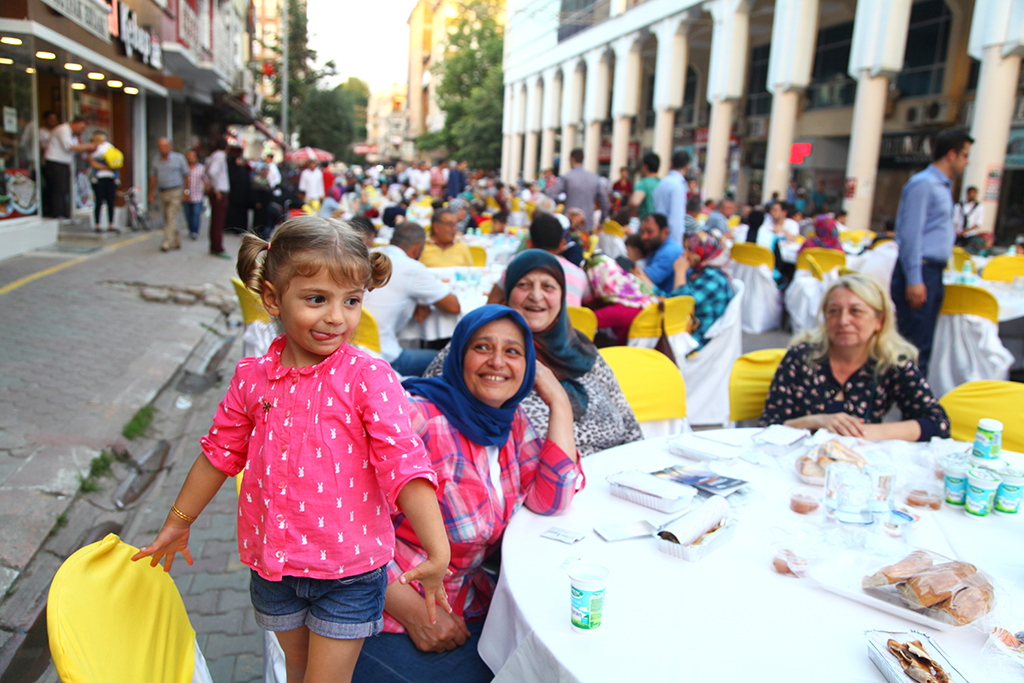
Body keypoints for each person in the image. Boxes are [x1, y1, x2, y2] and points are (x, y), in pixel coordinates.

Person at [132, 216, 453, 683]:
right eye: (316, 299)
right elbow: (219, 453)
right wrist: (177, 524)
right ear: (272, 299)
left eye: (352, 301)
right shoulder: (252, 376)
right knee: (296, 672)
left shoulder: (369, 376)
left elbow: (403, 464)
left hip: (349, 572)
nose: (336, 317)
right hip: (273, 568)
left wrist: (436, 549)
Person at [353, 305, 581, 682]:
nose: (497, 361)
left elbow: (552, 499)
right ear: (458, 355)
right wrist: (413, 612)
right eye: (482, 347)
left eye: (513, 351)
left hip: (468, 606)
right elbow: (341, 531)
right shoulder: (416, 420)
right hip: (385, 616)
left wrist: (558, 401)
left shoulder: (511, 422)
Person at [426, 250, 643, 456]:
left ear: (562, 297)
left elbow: (629, 424)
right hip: (537, 489)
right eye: (524, 285)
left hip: (613, 482)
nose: (536, 296)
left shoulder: (581, 350)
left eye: (548, 287)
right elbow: (433, 425)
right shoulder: (475, 350)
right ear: (508, 294)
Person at [759, 272, 950, 442]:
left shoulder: (891, 362)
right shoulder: (800, 358)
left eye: (855, 311)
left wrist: (867, 432)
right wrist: (815, 421)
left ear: (879, 320)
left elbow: (937, 424)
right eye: (834, 311)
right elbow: (768, 425)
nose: (843, 321)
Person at [892, 129, 973, 377]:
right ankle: (906, 404)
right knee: (912, 345)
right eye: (965, 156)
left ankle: (915, 404)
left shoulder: (943, 187)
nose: (967, 162)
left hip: (933, 271)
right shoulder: (924, 184)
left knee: (922, 343)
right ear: (951, 155)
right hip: (921, 270)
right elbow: (910, 234)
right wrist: (915, 278)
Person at [364, 222, 461, 377]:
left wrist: (418, 299)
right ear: (417, 249)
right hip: (383, 357)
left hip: (351, 350)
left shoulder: (370, 255)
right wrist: (422, 298)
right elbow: (453, 306)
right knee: (454, 360)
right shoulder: (412, 268)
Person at [642, 229, 734, 350]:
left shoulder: (714, 278)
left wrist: (679, 272)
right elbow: (672, 300)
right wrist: (644, 280)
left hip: (695, 342)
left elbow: (680, 309)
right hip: (685, 334)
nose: (684, 254)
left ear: (706, 251)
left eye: (690, 249)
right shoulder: (701, 273)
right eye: (684, 248)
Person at [487, 214, 591, 307]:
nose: (537, 297)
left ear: (529, 243)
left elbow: (491, 305)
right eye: (524, 285)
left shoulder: (517, 265)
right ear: (562, 244)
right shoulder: (579, 274)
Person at [545, 148, 609, 233]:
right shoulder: (595, 178)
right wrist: (602, 221)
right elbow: (605, 202)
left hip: (570, 221)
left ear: (572, 159)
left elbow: (551, 195)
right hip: (587, 223)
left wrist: (562, 202)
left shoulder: (567, 177)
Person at [44, 116, 96, 219]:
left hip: (65, 163)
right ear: (75, 124)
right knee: (58, 189)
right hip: (55, 162)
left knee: (65, 189)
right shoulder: (63, 130)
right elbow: (70, 147)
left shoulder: (74, 134)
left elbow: (77, 148)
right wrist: (90, 146)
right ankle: (57, 213)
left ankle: (64, 212)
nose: (82, 130)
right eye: (81, 128)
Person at [149, 138, 190, 252]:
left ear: (170, 147)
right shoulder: (156, 160)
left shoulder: (179, 158)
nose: (163, 148)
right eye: (160, 146)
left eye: (165, 145)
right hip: (162, 191)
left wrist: (186, 191)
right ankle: (176, 240)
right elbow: (153, 177)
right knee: (167, 217)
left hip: (175, 191)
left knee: (171, 216)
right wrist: (150, 192)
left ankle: (166, 242)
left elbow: (186, 175)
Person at [633, 212, 683, 293]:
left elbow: (642, 280)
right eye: (642, 232)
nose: (644, 237)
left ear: (665, 232)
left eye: (649, 232)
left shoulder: (670, 252)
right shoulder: (657, 247)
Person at [653, 150, 689, 245]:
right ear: (687, 166)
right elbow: (676, 219)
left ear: (671, 164)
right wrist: (677, 246)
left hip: (658, 235)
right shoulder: (677, 186)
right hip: (669, 239)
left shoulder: (663, 182)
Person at [88, 132, 119, 233]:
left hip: (107, 178)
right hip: (101, 178)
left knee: (108, 201)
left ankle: (110, 224)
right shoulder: (96, 149)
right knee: (100, 202)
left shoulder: (105, 149)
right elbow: (93, 164)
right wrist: (108, 167)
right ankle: (99, 225)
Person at [206, 138, 231, 258]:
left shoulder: (214, 155)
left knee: (216, 221)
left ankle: (214, 246)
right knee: (218, 222)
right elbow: (212, 172)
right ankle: (218, 248)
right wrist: (216, 188)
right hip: (219, 192)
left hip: (218, 191)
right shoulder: (220, 156)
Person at [955, 186, 989, 254]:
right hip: (959, 234)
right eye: (972, 193)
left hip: (970, 234)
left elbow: (979, 223)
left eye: (975, 194)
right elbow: (955, 219)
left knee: (968, 252)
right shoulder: (959, 205)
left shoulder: (979, 207)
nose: (973, 195)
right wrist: (957, 230)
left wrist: (966, 230)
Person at [182, 150, 206, 240]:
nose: (190, 158)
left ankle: (194, 232)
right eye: (188, 156)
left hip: (198, 196)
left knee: (196, 214)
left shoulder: (201, 168)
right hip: (186, 196)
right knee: (188, 214)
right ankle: (191, 230)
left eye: (192, 156)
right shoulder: (184, 168)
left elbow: (205, 180)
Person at [629, 152, 660, 220]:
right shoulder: (662, 183)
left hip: (647, 222)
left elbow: (635, 202)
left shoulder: (643, 183)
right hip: (661, 224)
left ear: (645, 166)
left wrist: (629, 207)